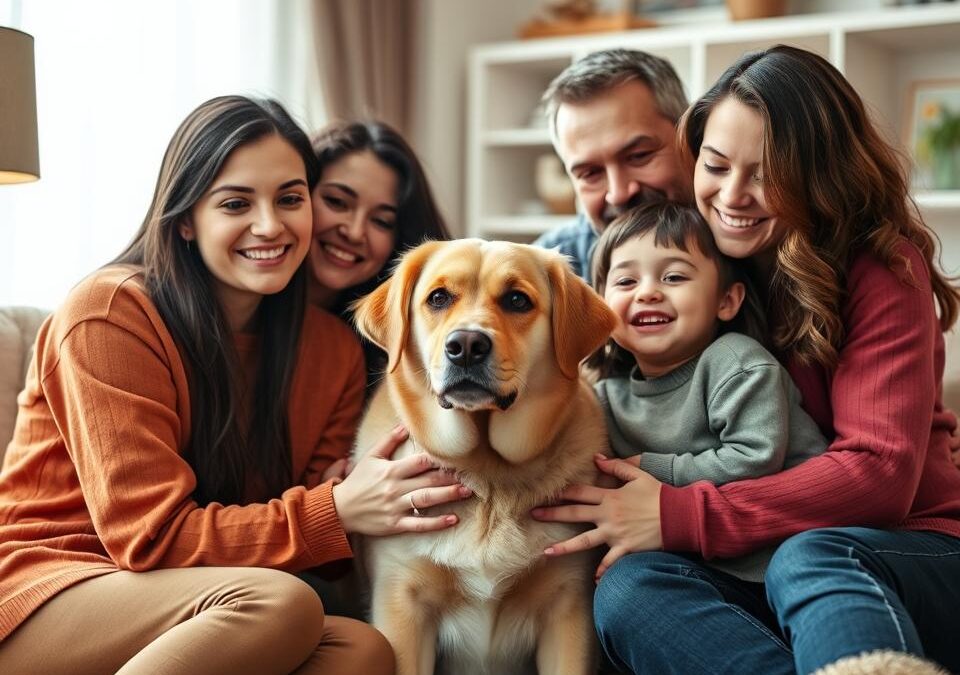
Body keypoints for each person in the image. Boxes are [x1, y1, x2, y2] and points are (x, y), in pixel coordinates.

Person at [0, 95, 468, 675]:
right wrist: (335, 508)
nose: (270, 225)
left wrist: (364, 499)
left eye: (290, 199)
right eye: (236, 203)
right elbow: (149, 539)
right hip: (47, 590)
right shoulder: (110, 312)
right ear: (186, 219)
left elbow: (316, 551)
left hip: (196, 603)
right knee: (278, 602)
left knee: (363, 651)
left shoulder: (331, 348)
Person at [533, 46, 960, 674]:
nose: (733, 195)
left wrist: (682, 515)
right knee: (629, 589)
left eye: (767, 173)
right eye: (716, 165)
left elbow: (879, 473)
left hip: (896, 546)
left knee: (810, 556)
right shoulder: (632, 257)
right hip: (752, 558)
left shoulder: (877, 265)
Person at [589, 200, 827, 583]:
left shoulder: (737, 362)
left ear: (726, 300)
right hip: (696, 562)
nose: (647, 293)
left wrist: (654, 468)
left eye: (674, 277)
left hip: (780, 554)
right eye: (626, 282)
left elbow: (756, 457)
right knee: (625, 586)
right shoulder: (603, 398)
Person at [307, 119, 451, 385]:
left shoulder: (392, 355)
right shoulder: (242, 313)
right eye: (337, 202)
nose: (354, 232)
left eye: (381, 221)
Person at [533, 48, 692, 282]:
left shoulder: (739, 240)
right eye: (591, 173)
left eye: (639, 156)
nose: (618, 194)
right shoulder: (546, 274)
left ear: (689, 138)